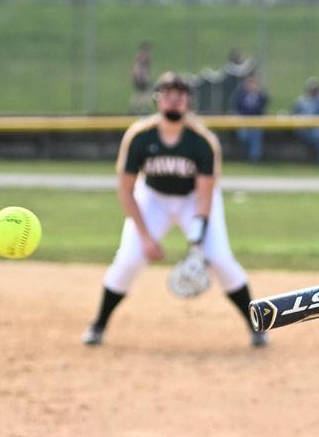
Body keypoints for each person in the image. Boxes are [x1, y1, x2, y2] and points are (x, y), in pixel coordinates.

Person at [83, 72, 260, 348]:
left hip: (193, 200)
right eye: (167, 95)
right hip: (153, 199)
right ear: (157, 100)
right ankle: (98, 325)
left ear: (189, 102)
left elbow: (205, 196)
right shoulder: (140, 137)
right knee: (129, 259)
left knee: (220, 259)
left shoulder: (202, 141)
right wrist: (145, 238)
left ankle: (257, 326)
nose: (174, 101)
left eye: (180, 96)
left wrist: (197, 243)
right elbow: (127, 191)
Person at [292, 78, 319, 165]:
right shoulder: (301, 101)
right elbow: (293, 114)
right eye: (311, 89)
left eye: (315, 89)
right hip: (305, 128)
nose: (313, 91)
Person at [231, 74, 268, 164]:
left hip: (256, 122)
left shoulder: (259, 95)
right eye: (249, 83)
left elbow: (265, 102)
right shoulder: (240, 94)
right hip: (243, 121)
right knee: (244, 136)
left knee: (256, 134)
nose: (251, 85)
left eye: (253, 83)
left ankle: (254, 157)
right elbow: (237, 106)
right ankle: (246, 154)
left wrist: (259, 93)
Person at [130, 42, 153, 112]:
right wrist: (145, 77)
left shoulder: (138, 55)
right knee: (147, 92)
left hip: (137, 77)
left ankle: (134, 107)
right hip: (141, 77)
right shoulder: (145, 56)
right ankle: (144, 108)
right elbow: (143, 68)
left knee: (139, 92)